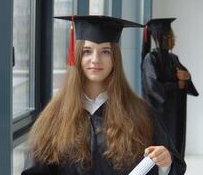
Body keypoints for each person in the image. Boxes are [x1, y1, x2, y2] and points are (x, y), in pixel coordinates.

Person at [21, 15, 186, 175]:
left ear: (115, 58)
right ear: (76, 56)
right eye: (87, 51)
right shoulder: (54, 116)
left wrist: (165, 164)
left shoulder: (140, 113)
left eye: (105, 51)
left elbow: (173, 165)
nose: (95, 59)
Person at [141, 18, 199, 158]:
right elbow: (152, 87)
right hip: (161, 115)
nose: (174, 40)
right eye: (172, 36)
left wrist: (187, 77)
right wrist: (175, 85)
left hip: (177, 113)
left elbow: (186, 84)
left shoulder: (174, 58)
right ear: (163, 37)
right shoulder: (151, 59)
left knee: (176, 145)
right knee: (162, 150)